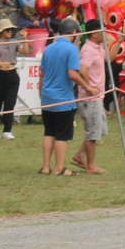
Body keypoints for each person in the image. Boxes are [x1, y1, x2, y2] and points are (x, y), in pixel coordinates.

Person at [38, 19, 85, 176]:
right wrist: (88, 87)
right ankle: (59, 168)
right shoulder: (71, 49)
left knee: (49, 132)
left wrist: (41, 94)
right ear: (73, 33)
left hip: (47, 97)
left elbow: (42, 74)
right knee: (62, 135)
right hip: (63, 98)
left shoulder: (49, 48)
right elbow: (72, 74)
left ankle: (45, 167)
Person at [74, 23, 109, 175]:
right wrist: (88, 87)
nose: (105, 34)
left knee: (99, 129)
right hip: (89, 98)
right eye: (103, 31)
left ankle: (80, 155)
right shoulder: (88, 50)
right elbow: (82, 70)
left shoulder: (98, 48)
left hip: (97, 97)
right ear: (94, 33)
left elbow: (109, 58)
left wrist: (119, 42)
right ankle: (91, 166)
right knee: (93, 132)